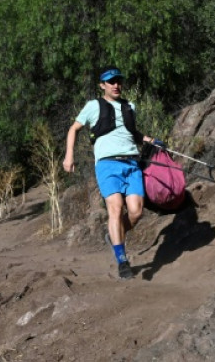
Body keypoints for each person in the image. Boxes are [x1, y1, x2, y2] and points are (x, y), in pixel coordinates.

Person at [63, 66, 163, 279]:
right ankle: (122, 260)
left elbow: (131, 133)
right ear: (102, 85)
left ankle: (114, 236)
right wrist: (69, 156)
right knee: (115, 208)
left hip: (132, 163)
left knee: (136, 211)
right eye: (111, 82)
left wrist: (149, 140)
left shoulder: (129, 106)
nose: (116, 85)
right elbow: (74, 129)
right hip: (107, 164)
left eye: (118, 81)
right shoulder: (93, 106)